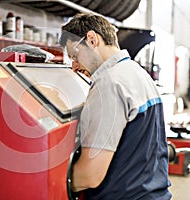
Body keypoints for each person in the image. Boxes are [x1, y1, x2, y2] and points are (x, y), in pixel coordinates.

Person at [59, 13, 172, 199]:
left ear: (92, 39)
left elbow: (90, 175)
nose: (74, 66)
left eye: (75, 55)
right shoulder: (137, 72)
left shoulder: (108, 84)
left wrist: (46, 181)